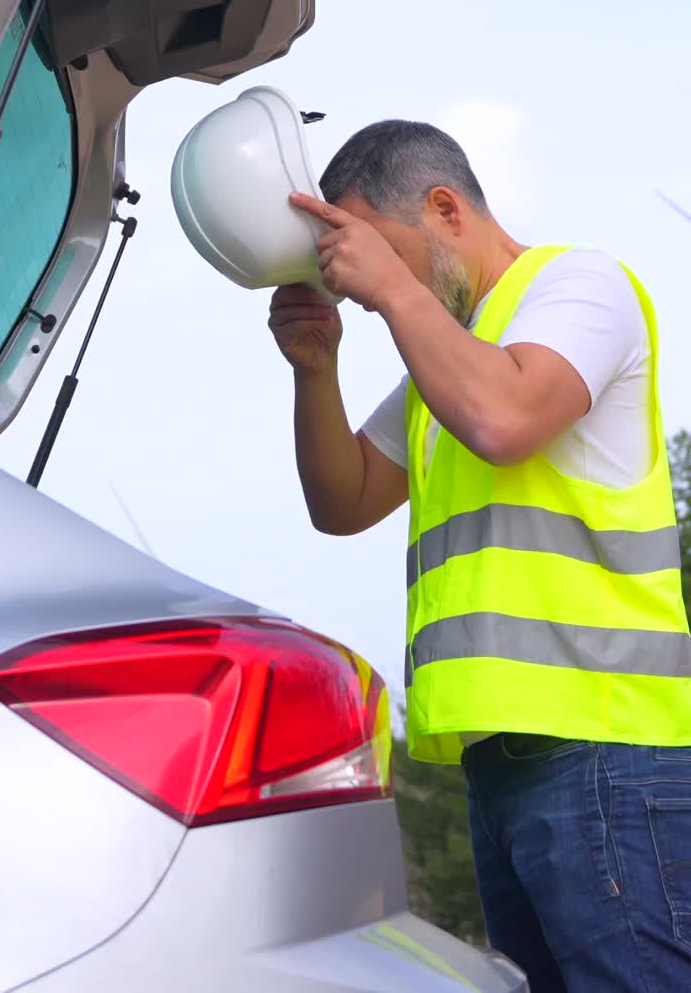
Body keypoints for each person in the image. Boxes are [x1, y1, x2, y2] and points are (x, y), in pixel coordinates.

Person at [267, 119, 691, 993]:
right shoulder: (447, 357)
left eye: (380, 253)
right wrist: (316, 368)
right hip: (503, 767)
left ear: (445, 208)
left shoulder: (578, 285)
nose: (366, 286)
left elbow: (505, 418)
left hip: (603, 747)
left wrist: (393, 293)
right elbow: (342, 502)